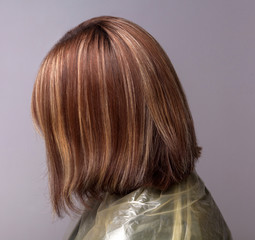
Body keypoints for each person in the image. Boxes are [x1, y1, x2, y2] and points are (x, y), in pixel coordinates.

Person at [31, 16, 232, 240]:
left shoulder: (135, 231)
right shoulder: (168, 202)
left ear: (97, 130)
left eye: (60, 124)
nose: (52, 138)